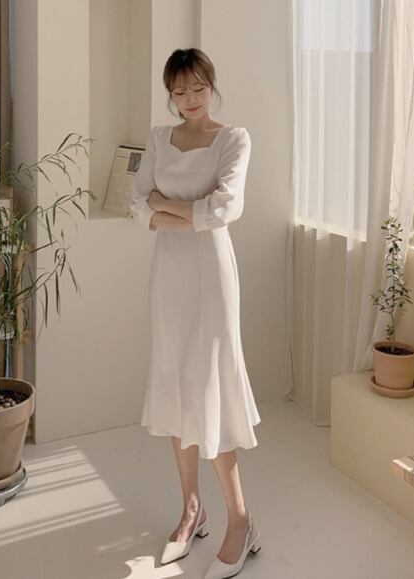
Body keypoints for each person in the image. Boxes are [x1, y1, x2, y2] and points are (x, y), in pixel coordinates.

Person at [128, 48, 262, 579]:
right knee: (175, 384)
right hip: (169, 276)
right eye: (179, 91)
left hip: (212, 276)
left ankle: (240, 520)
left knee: (211, 388)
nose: (189, 99)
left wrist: (168, 205)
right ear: (170, 93)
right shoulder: (159, 138)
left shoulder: (234, 139)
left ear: (212, 85)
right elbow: (137, 205)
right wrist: (192, 212)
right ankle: (191, 508)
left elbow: (228, 207)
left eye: (198, 88)